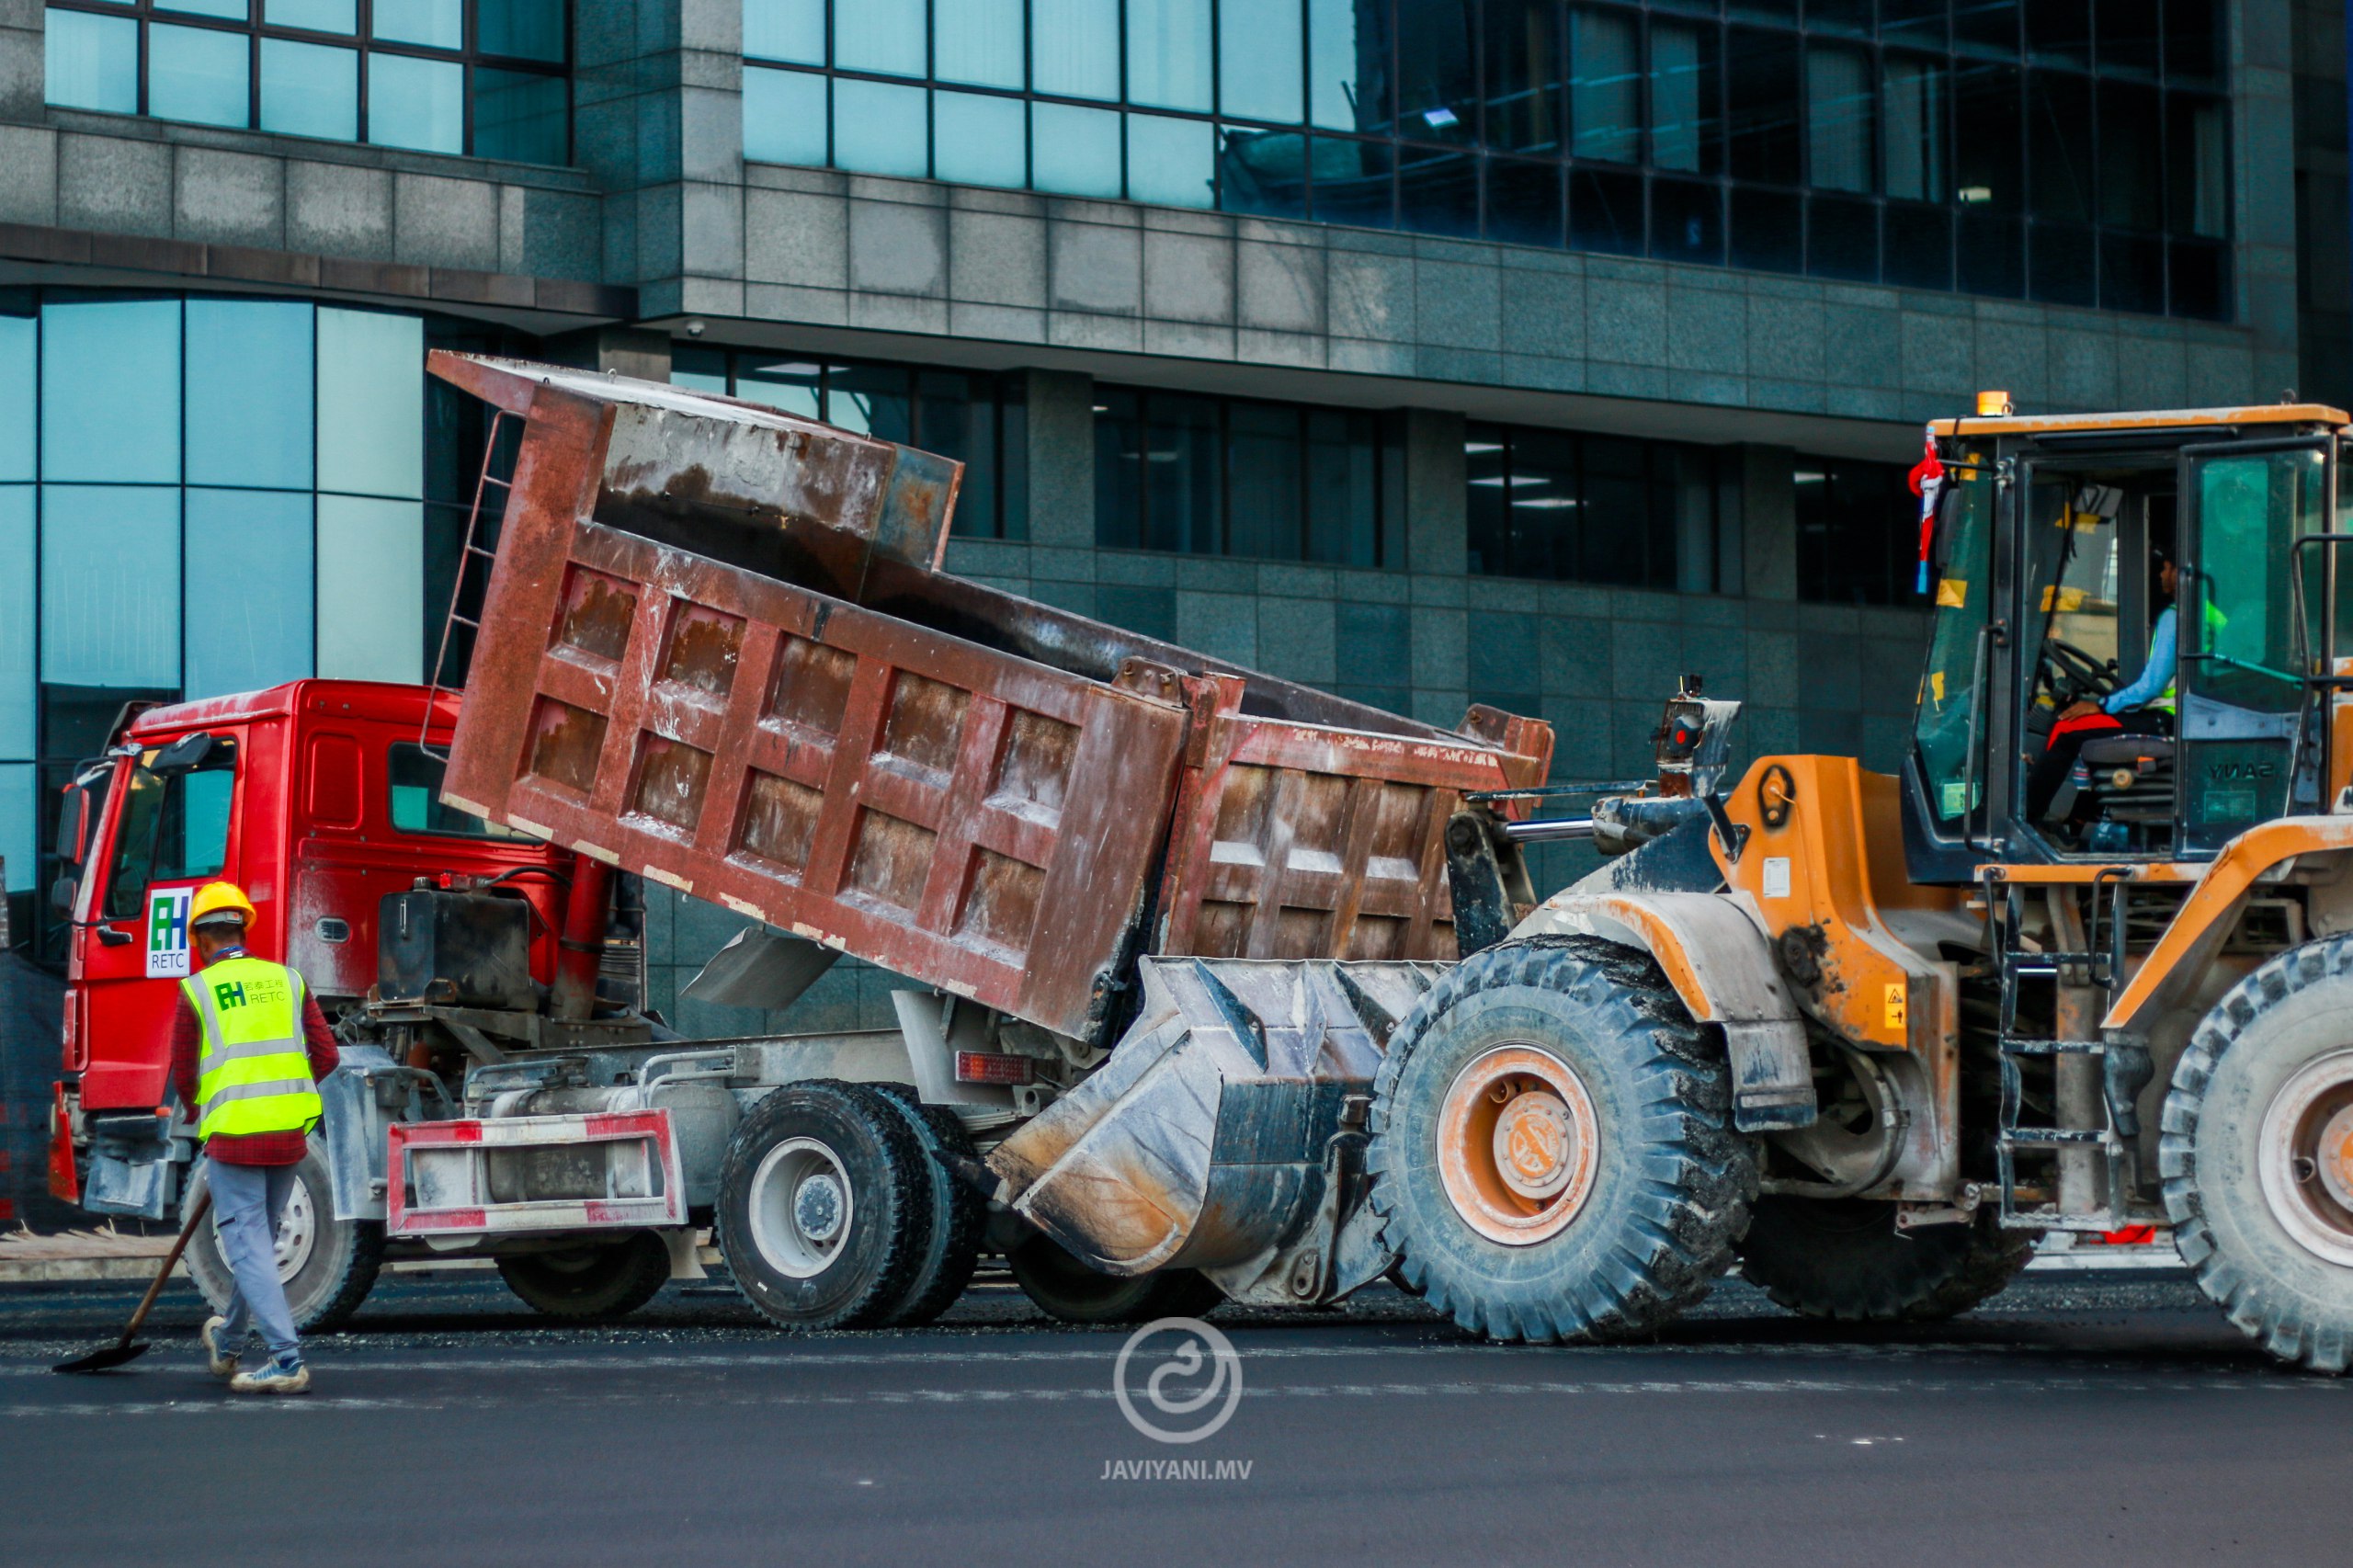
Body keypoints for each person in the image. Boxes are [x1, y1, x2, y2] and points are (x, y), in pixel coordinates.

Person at [168, 881, 339, 1394]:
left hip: (235, 1138)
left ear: (200, 941)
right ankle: (230, 1341)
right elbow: (327, 1056)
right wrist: (287, 1096)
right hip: (289, 1135)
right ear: (243, 929)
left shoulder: (196, 990)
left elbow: (184, 1076)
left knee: (246, 1248)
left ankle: (287, 1361)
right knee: (256, 1244)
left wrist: (206, 1113)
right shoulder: (288, 980)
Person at [2028, 546, 2180, 824]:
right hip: (2179, 717)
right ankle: (2078, 821)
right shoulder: (2208, 614)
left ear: (2180, 574)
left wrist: (2101, 705)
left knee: (2066, 728)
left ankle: (2027, 820)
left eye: (2166, 567)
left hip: (2166, 719)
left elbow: (2151, 687)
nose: (2161, 574)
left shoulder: (2175, 616)